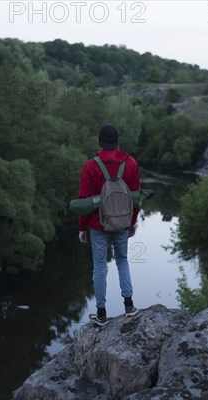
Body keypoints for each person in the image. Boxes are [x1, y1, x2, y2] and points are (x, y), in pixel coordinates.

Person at [78, 123, 141, 326]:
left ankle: (102, 313)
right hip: (122, 222)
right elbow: (136, 197)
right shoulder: (130, 163)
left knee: (99, 266)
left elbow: (84, 200)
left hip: (98, 225)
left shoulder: (91, 166)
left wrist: (82, 228)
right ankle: (129, 306)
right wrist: (132, 222)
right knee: (122, 260)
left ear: (99, 142)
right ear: (117, 142)